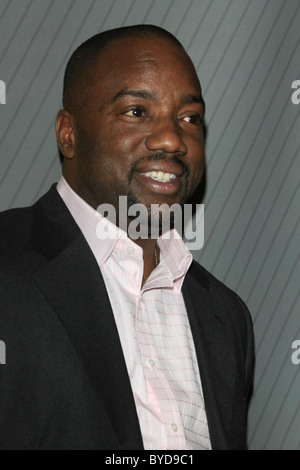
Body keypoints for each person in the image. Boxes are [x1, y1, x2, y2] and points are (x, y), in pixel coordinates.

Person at [0, 25, 254, 450]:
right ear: (69, 133)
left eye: (190, 118)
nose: (173, 138)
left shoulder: (226, 318)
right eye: (137, 111)